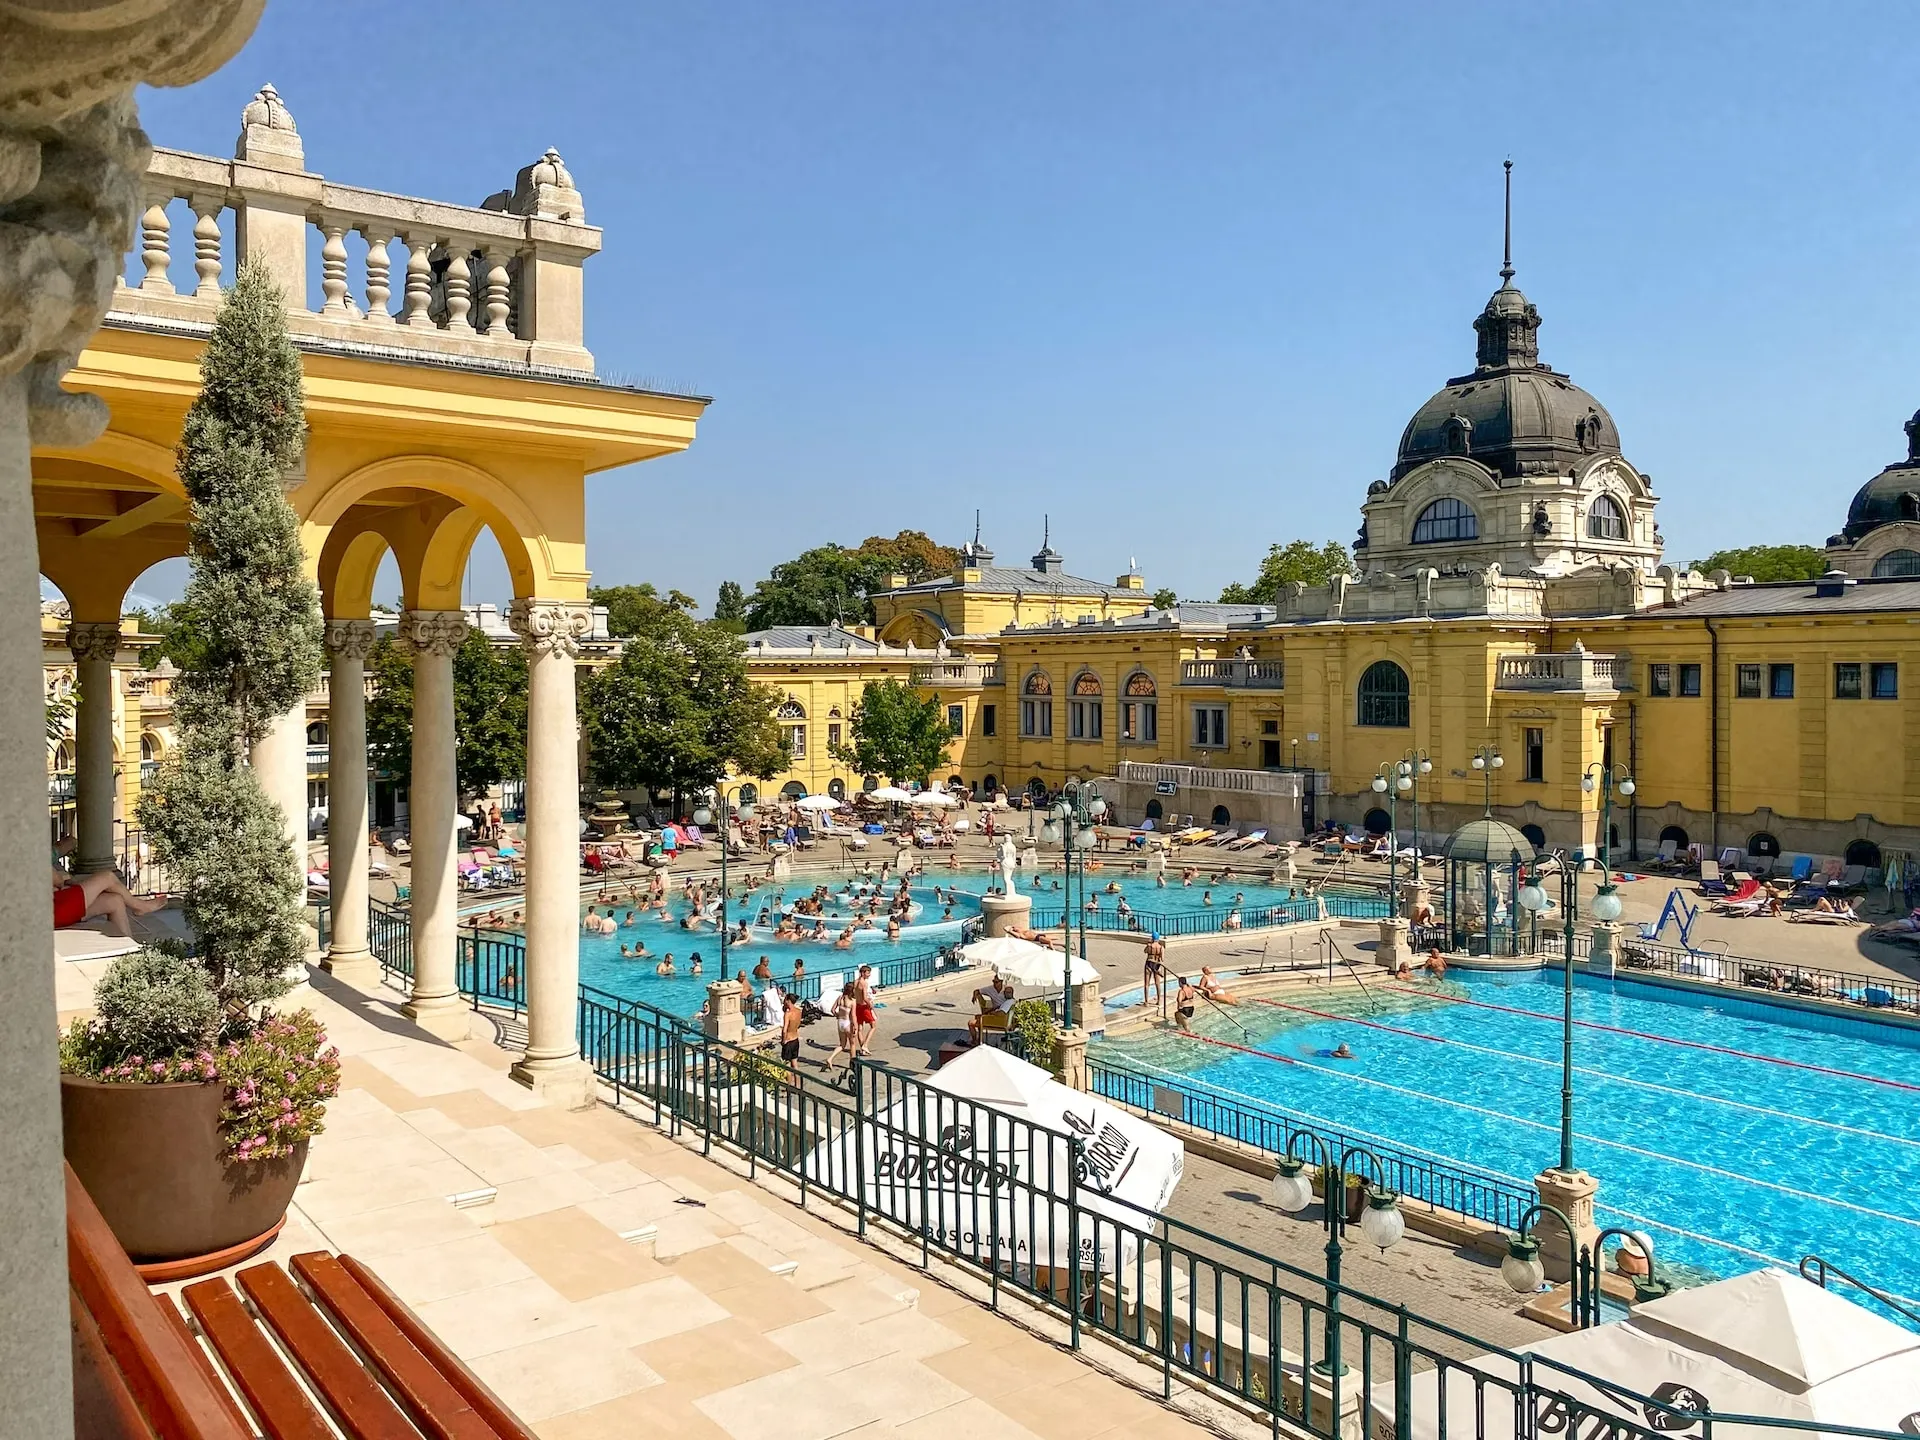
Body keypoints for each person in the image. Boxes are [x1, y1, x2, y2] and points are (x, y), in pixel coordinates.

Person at [50, 863, 167, 938]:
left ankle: (128, 956)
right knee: (107, 878)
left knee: (114, 901)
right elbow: (58, 880)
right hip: (54, 909)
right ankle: (139, 906)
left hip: (54, 907)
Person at [826, 982, 859, 1076]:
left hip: (840, 1022)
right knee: (852, 1044)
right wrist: (855, 1026)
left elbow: (832, 1010)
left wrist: (837, 1015)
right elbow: (853, 1016)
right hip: (848, 1023)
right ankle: (852, 1064)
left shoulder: (840, 998)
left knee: (842, 1045)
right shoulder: (852, 1001)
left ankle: (830, 1058)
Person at [854, 964, 878, 1053]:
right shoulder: (864, 983)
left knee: (860, 1028)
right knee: (873, 1026)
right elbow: (864, 997)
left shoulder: (855, 982)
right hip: (864, 1007)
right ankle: (865, 1045)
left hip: (857, 1006)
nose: (869, 975)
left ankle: (863, 1049)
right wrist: (870, 1004)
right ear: (863, 973)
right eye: (868, 973)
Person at [780, 992, 804, 1069]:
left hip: (788, 1040)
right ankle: (798, 1081)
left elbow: (784, 1029)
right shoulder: (799, 1011)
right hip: (795, 1039)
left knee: (786, 1066)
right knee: (795, 1064)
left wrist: (783, 1040)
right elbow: (798, 1024)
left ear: (788, 1001)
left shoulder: (788, 1014)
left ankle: (789, 1081)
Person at [1142, 934, 1166, 1008]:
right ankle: (1159, 1000)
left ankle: (1146, 1002)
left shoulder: (1149, 946)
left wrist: (1148, 943)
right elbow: (1162, 959)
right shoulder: (1161, 947)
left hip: (1149, 963)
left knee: (1147, 984)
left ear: (1152, 938)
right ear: (1158, 938)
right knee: (1157, 984)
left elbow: (1145, 951)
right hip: (1156, 965)